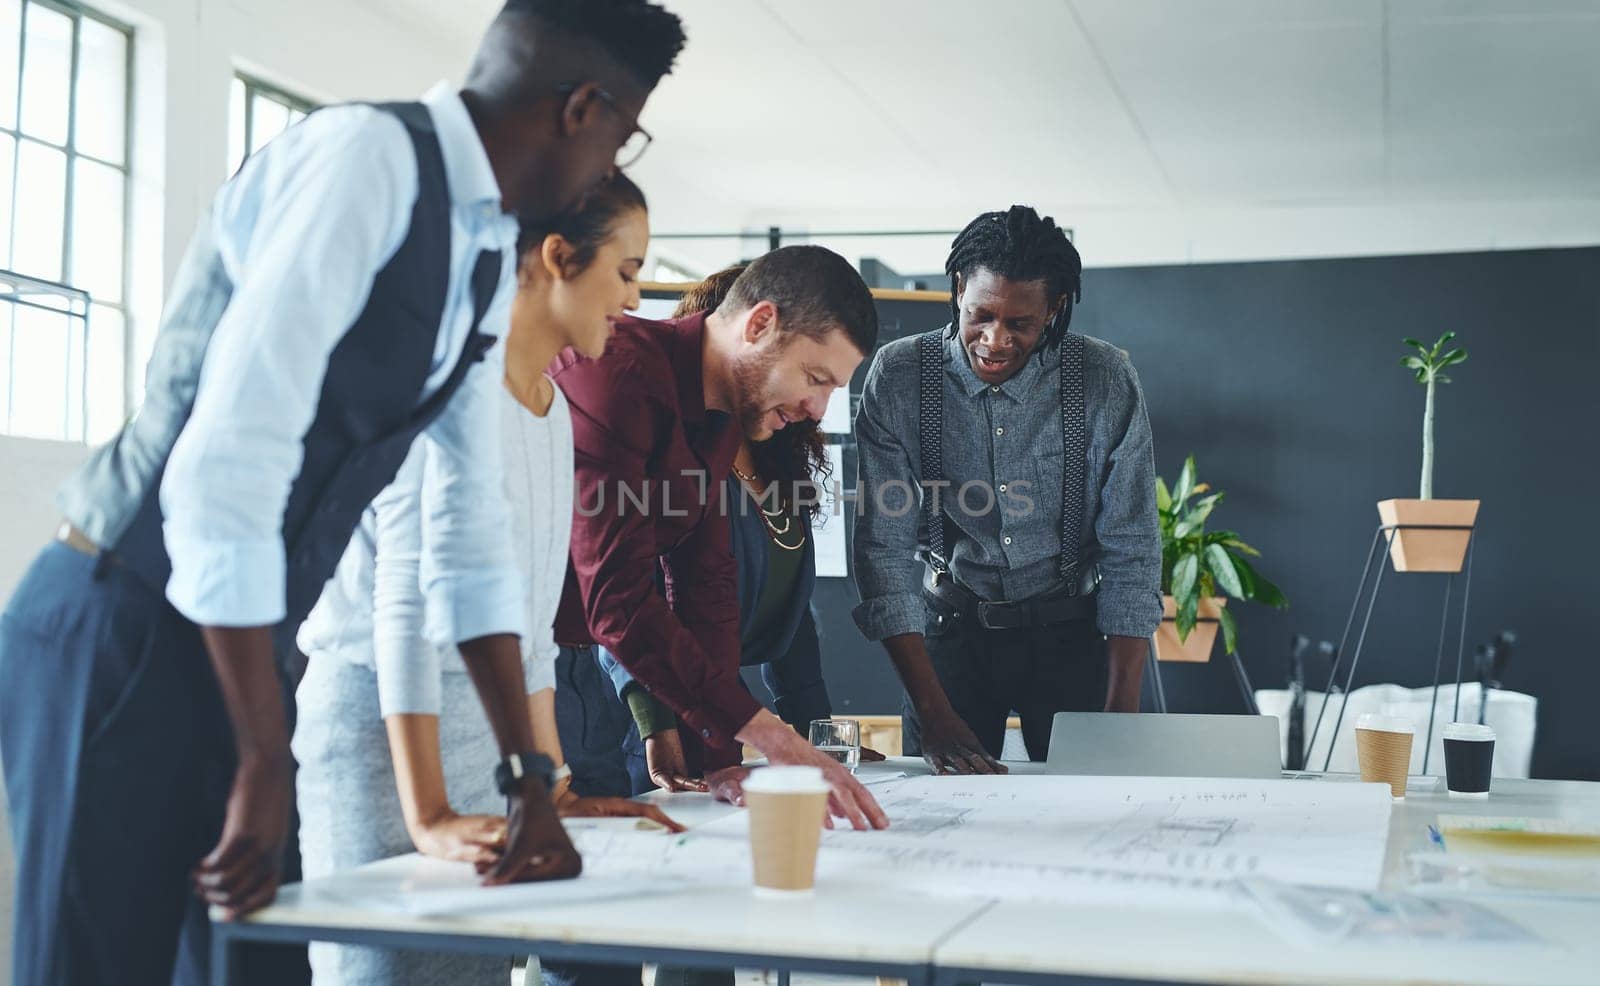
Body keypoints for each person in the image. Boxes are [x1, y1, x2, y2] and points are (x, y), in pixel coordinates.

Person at [0, 2, 687, 983]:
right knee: (96, 964)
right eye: (625, 134)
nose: (612, 165)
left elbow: (468, 519)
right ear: (584, 108)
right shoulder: (367, 161)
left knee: (246, 969)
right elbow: (224, 469)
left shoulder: (486, 244)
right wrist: (263, 754)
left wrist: (532, 774)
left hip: (241, 640)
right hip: (125, 620)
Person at [294, 174, 680, 986]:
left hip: (487, 733)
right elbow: (403, 604)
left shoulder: (551, 407)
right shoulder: (446, 383)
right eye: (626, 270)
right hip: (383, 731)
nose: (635, 297)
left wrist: (553, 781)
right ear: (556, 259)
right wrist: (426, 811)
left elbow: (531, 619)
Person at [852, 206, 1162, 775]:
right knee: (945, 821)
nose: (995, 340)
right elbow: (884, 551)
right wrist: (932, 712)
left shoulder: (1104, 377)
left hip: (1071, 635)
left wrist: (1121, 718)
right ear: (957, 290)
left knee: (1094, 809)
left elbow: (1132, 547)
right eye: (980, 314)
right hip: (950, 637)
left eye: (1020, 323)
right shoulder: (898, 377)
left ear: (1054, 310)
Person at [598, 266, 882, 799]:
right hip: (643, 709)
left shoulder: (753, 446)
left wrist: (800, 735)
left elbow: (759, 611)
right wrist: (657, 726)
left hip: (718, 709)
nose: (816, 407)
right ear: (753, 329)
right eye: (814, 377)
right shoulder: (646, 407)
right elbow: (620, 594)